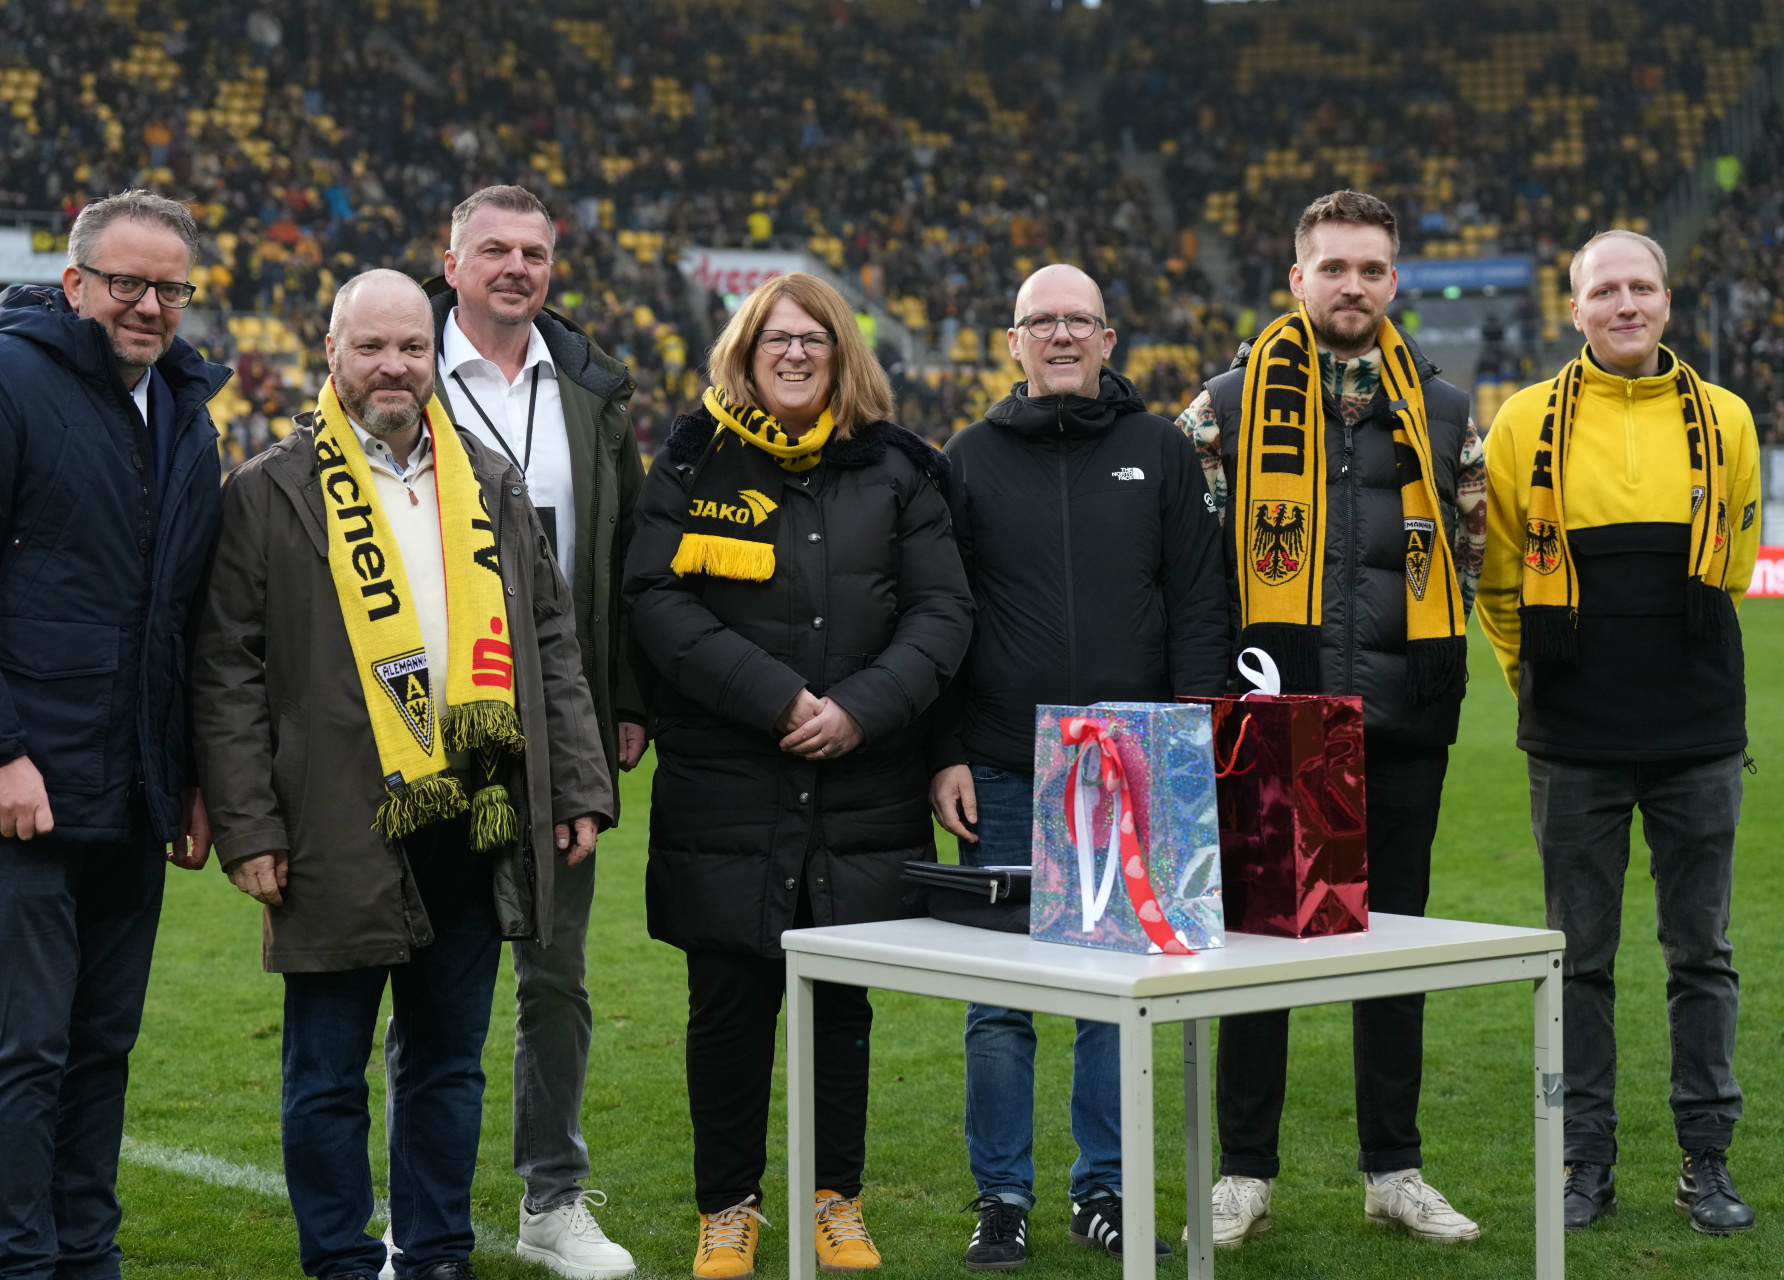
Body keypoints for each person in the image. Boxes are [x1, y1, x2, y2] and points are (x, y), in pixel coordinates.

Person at [190, 269, 618, 1280]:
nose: (395, 367)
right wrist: (249, 825)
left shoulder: (490, 478)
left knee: (447, 1063)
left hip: (473, 815)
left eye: (413, 348)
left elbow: (549, 641)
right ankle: (340, 1259)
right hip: (333, 820)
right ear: (329, 351)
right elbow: (225, 673)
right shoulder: (267, 490)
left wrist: (580, 785)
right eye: (372, 347)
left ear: (434, 356)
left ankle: (437, 1254)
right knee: (326, 1070)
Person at [0, 190, 229, 1280]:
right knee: (29, 1046)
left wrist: (184, 774)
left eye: (169, 287)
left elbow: (183, 616)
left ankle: (89, 1253)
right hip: (24, 780)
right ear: (74, 282)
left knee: (103, 1044)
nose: (147, 304)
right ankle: (18, 1262)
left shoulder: (183, 410)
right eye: (126, 281)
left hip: (132, 784)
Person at [624, 272, 971, 1278]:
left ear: (841, 352)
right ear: (744, 349)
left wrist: (859, 707)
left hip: (864, 778)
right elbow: (653, 599)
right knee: (727, 1003)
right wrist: (780, 698)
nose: (793, 354)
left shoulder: (901, 468)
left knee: (840, 1009)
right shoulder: (692, 457)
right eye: (775, 338)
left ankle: (837, 1198)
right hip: (728, 778)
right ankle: (726, 1208)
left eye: (813, 338)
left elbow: (943, 610)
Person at [1174, 190, 1486, 1247]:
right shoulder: (1223, 404)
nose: (1353, 285)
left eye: (1372, 268)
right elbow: (1190, 570)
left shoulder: (1443, 409)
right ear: (1296, 277)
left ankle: (1393, 1166)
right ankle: (1244, 1173)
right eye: (1334, 267)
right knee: (1261, 951)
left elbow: (1472, 550)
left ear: (1394, 281)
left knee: (1393, 950)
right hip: (1274, 719)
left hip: (1402, 717)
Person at [928, 263, 1231, 1271]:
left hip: (1136, 769)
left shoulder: (1159, 450)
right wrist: (947, 753)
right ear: (1011, 341)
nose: (1060, 335)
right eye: (1040, 321)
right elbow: (940, 619)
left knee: (1118, 987)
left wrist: (1187, 750)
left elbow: (1198, 602)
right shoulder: (967, 460)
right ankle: (1002, 1194)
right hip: (1008, 770)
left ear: (1110, 339)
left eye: (1079, 320)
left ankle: (1103, 1186)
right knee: (1001, 994)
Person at [1479, 229, 1761, 1236]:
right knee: (1579, 960)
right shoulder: (1521, 422)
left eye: (1641, 286)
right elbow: (1500, 578)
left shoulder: (1723, 418)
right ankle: (1584, 1160)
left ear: (1669, 302)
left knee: (1702, 954)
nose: (1624, 303)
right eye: (1605, 289)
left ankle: (1706, 1160)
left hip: (1695, 730)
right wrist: (1540, 683)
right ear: (1575, 308)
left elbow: (1727, 568)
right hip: (1574, 736)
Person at [425, 185, 646, 1275]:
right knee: (426, 976)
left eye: (535, 252)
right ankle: (420, 1211)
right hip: (423, 729)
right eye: (495, 249)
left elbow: (627, 562)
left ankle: (552, 1198)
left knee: (554, 976)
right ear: (451, 259)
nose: (517, 267)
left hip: (561, 726)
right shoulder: (396, 370)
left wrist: (628, 698)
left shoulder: (593, 392)